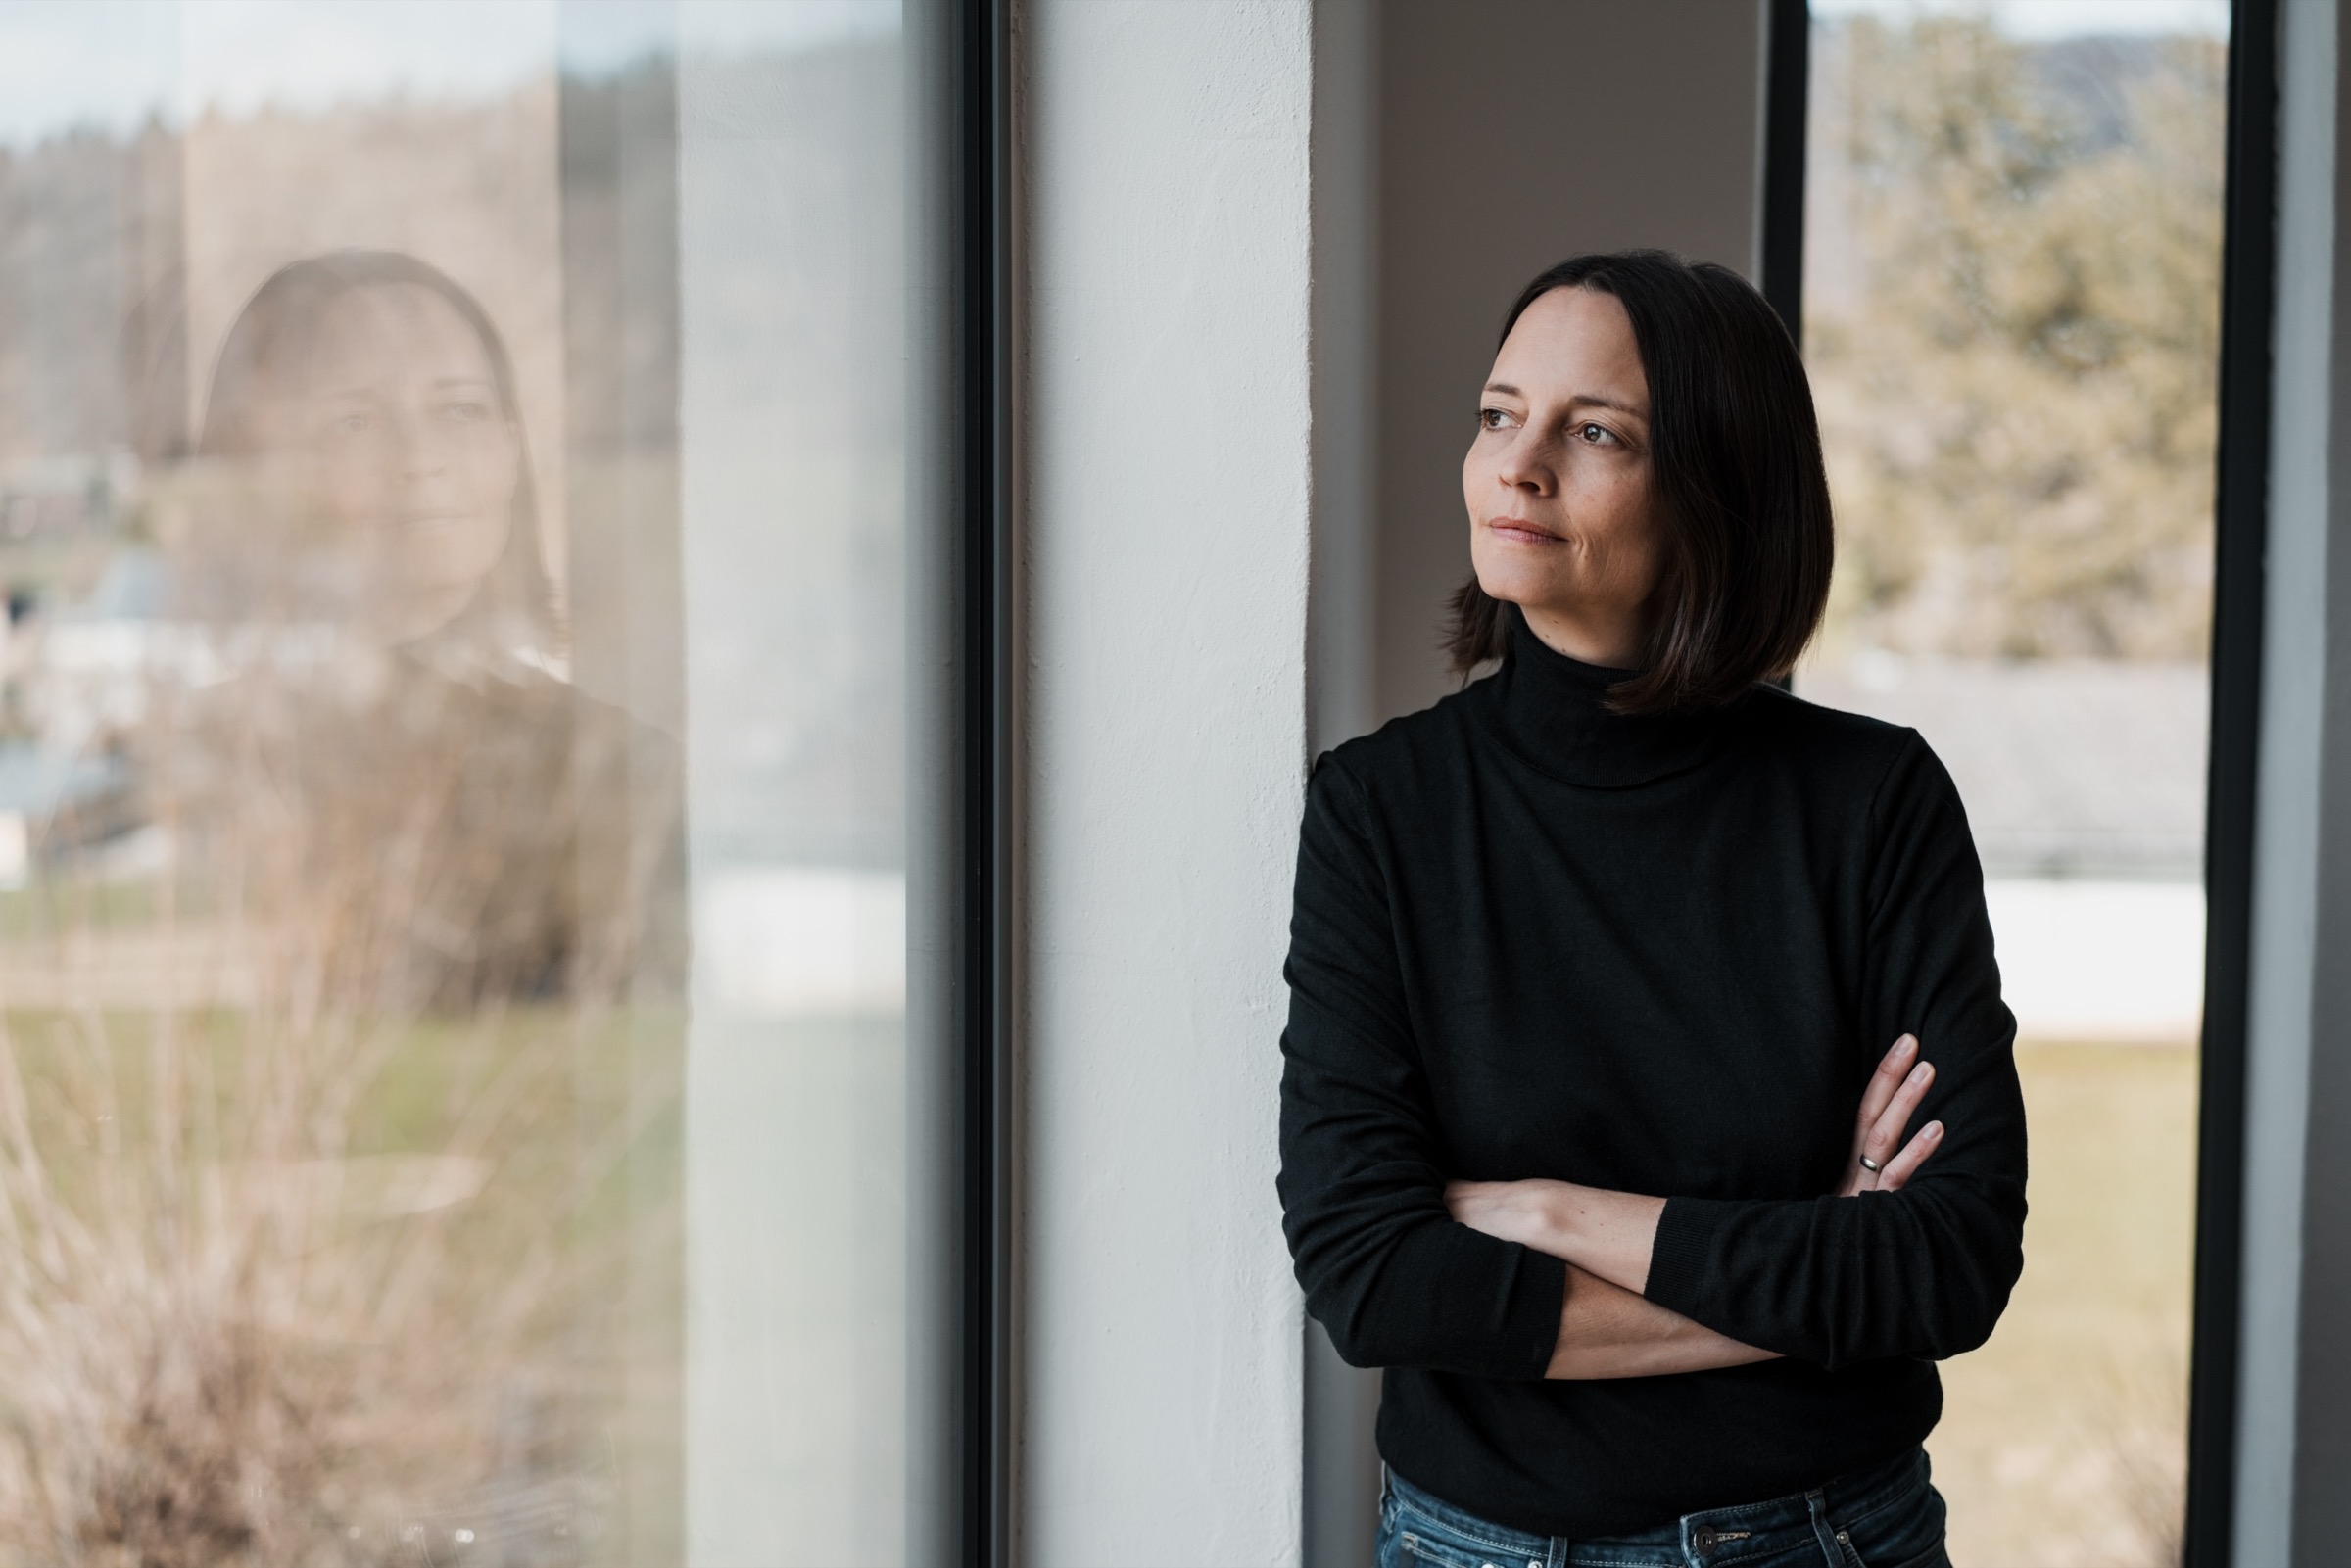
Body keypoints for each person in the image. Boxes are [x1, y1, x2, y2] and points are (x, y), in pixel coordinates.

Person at [1276, 250, 2025, 1567]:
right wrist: (1815, 1273)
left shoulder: (1874, 802)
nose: (1518, 465)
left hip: (1827, 1538)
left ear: (1718, 489)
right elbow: (1376, 1278)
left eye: (1597, 431)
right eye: (1501, 415)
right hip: (1478, 1546)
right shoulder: (1380, 811)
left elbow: (1947, 1261)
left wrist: (1559, 1215)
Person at [181, 249, 680, 1009]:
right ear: (260, 476)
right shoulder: (202, 762)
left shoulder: (623, 772)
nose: (419, 461)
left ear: (513, 451)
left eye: (460, 410)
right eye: (353, 422)